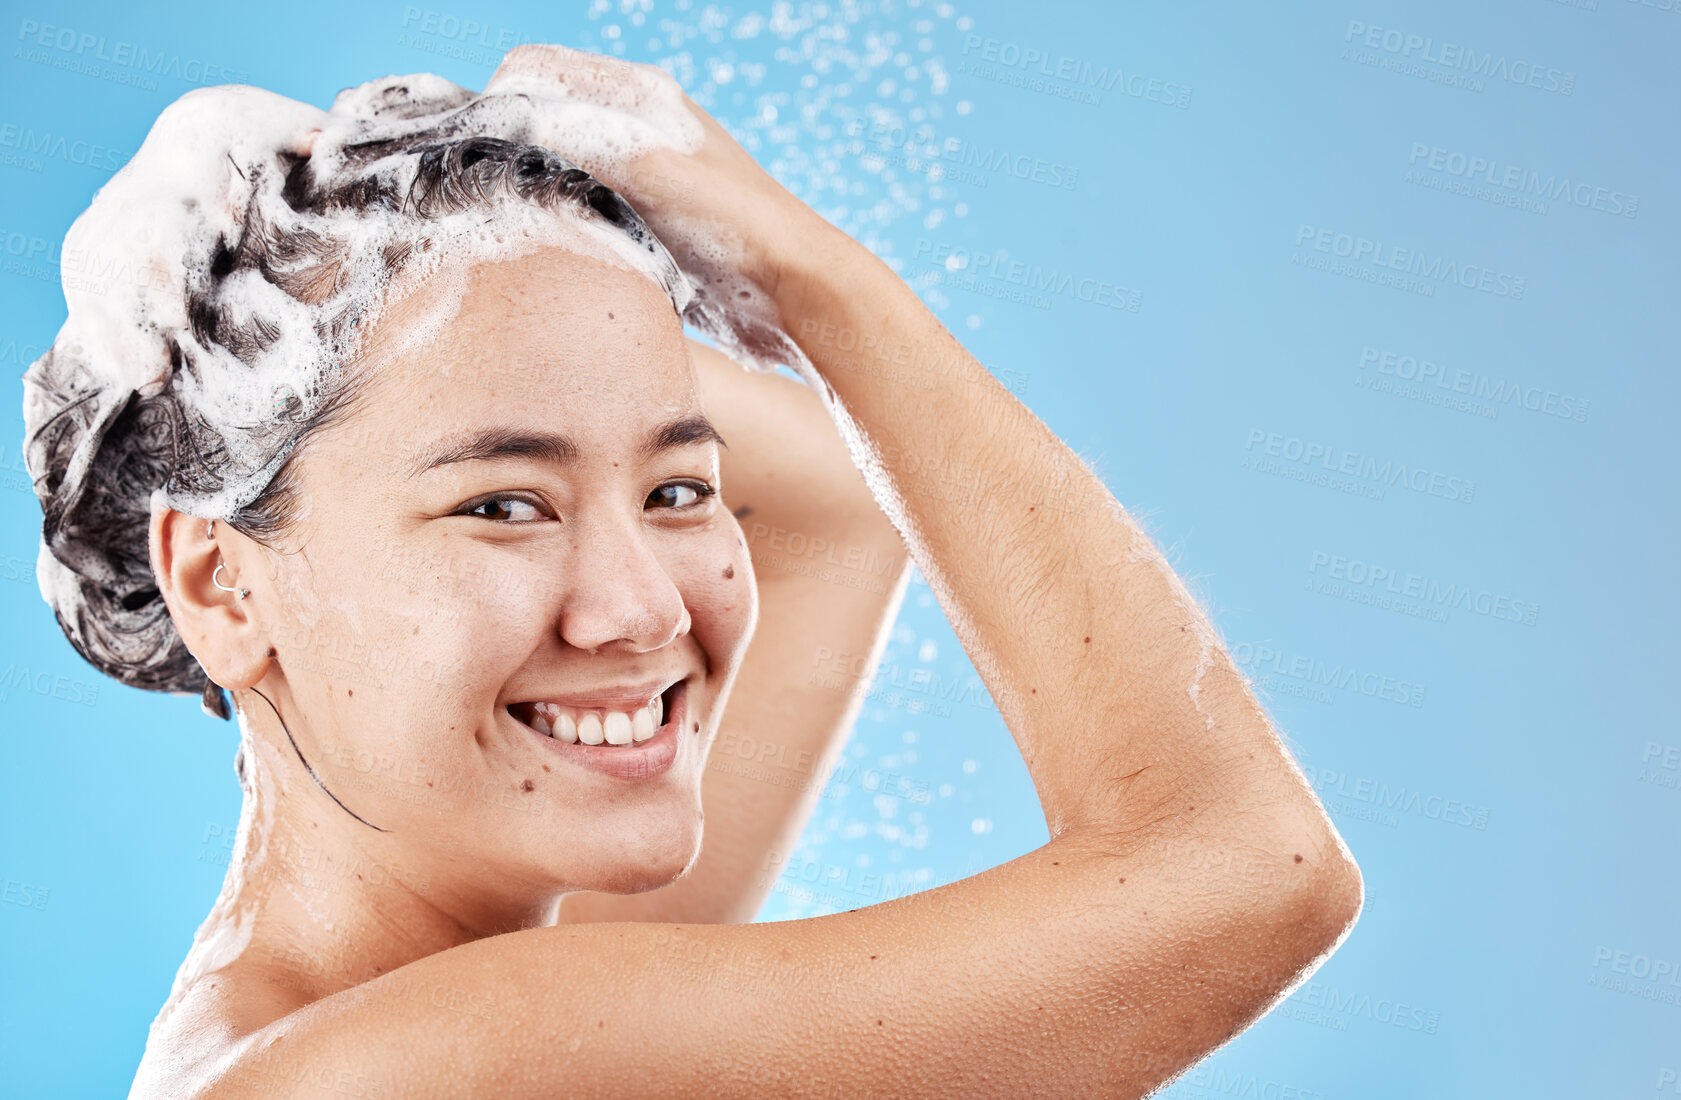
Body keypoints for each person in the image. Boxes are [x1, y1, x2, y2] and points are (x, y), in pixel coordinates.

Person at [27, 45, 1362, 1100]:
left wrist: (490, 290)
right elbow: (1251, 868)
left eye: (678, 491)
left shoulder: (348, 1029)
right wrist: (815, 275)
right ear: (220, 586)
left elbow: (839, 507)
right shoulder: (452, 1061)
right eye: (500, 505)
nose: (643, 609)